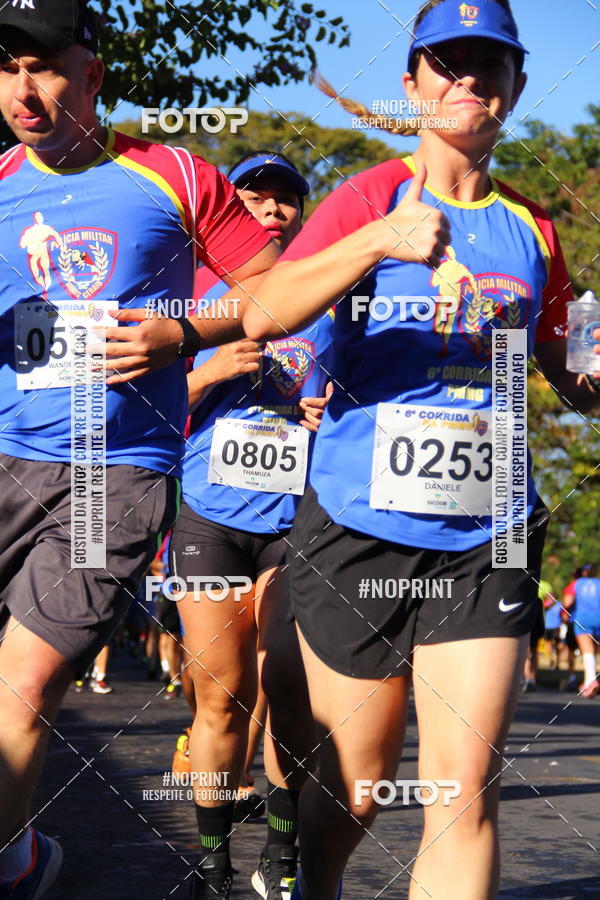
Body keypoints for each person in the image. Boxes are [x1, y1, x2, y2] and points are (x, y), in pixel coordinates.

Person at [238, 1, 600, 897]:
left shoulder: (533, 233)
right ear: (413, 83)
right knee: (356, 794)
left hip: (491, 536)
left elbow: (567, 372)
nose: (468, 82)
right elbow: (262, 315)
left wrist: (590, 372)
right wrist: (377, 241)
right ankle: (312, 883)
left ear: (514, 90)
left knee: (463, 796)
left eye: (491, 68)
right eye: (448, 64)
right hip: (360, 528)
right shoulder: (365, 198)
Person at [0, 2, 279, 896]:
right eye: (7, 67)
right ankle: (20, 852)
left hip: (111, 475)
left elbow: (271, 289)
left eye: (42, 65)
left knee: (28, 685)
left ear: (92, 73)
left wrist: (180, 333)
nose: (22, 88)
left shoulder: (174, 175)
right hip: (6, 454)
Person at [168, 151, 334, 899]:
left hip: (295, 520)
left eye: (286, 201)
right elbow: (134, 409)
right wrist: (207, 371)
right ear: (230, 209)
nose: (271, 210)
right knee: (220, 695)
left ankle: (282, 850)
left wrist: (329, 411)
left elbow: (361, 399)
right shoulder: (193, 293)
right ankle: (211, 865)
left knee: (290, 687)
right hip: (210, 517)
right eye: (256, 198)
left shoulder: (328, 296)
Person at [563, 564, 600, 697]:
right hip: (599, 617)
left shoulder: (576, 583)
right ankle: (589, 680)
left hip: (583, 618)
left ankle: (591, 681)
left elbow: (568, 602)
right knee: (595, 651)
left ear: (584, 573)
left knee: (587, 651)